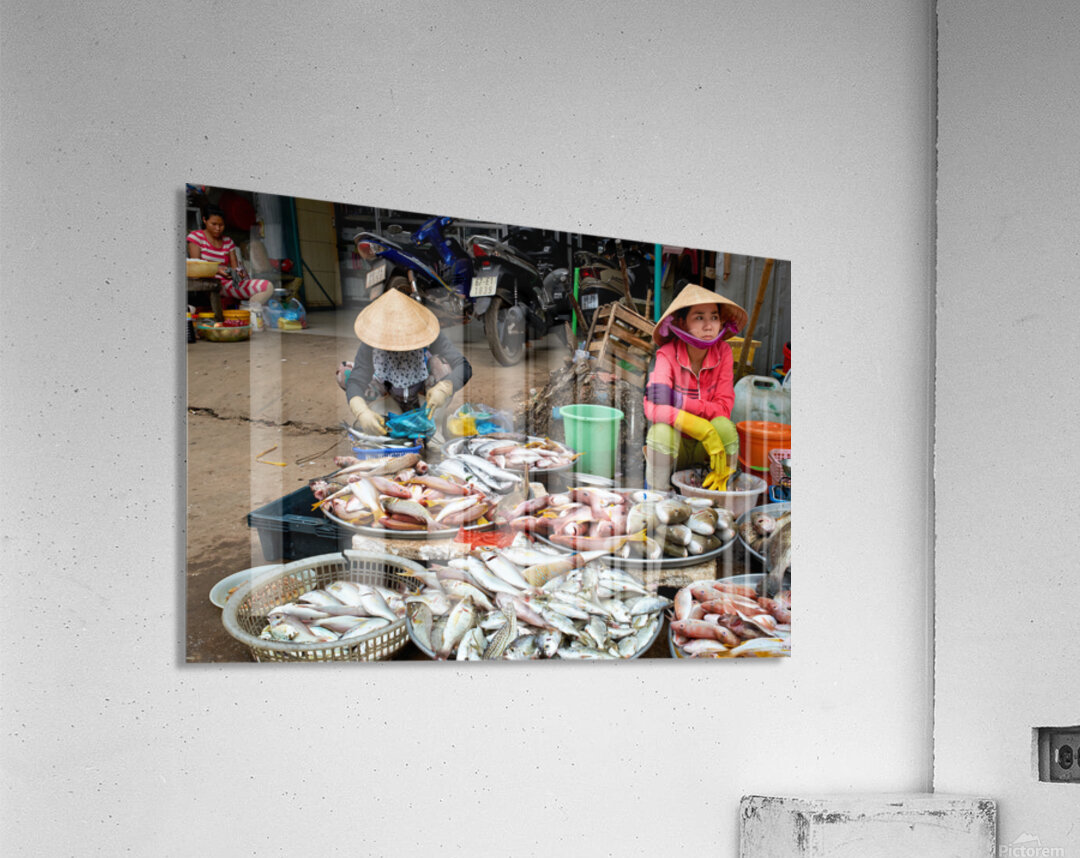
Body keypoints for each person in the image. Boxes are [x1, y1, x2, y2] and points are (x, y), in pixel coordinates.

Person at [643, 283, 749, 492]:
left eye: (714, 317)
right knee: (660, 432)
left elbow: (723, 409)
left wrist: (680, 401)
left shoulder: (723, 352)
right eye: (699, 317)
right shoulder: (667, 353)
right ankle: (658, 497)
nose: (709, 326)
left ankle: (722, 489)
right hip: (677, 450)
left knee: (724, 426)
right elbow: (652, 408)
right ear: (681, 323)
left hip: (709, 452)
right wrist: (700, 428)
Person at [344, 289, 471, 439]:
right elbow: (356, 379)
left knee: (442, 366)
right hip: (387, 395)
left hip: (423, 396)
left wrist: (445, 388)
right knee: (345, 372)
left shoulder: (428, 332)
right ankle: (382, 415)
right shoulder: (372, 340)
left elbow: (463, 366)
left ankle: (431, 420)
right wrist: (361, 411)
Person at [186, 207, 273, 305]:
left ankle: (249, 309)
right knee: (264, 287)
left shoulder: (228, 241)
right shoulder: (196, 237)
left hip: (227, 283)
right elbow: (196, 267)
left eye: (221, 225)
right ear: (204, 220)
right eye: (214, 224)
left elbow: (235, 268)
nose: (218, 228)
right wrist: (217, 270)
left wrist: (239, 274)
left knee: (267, 287)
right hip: (208, 283)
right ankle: (250, 309)